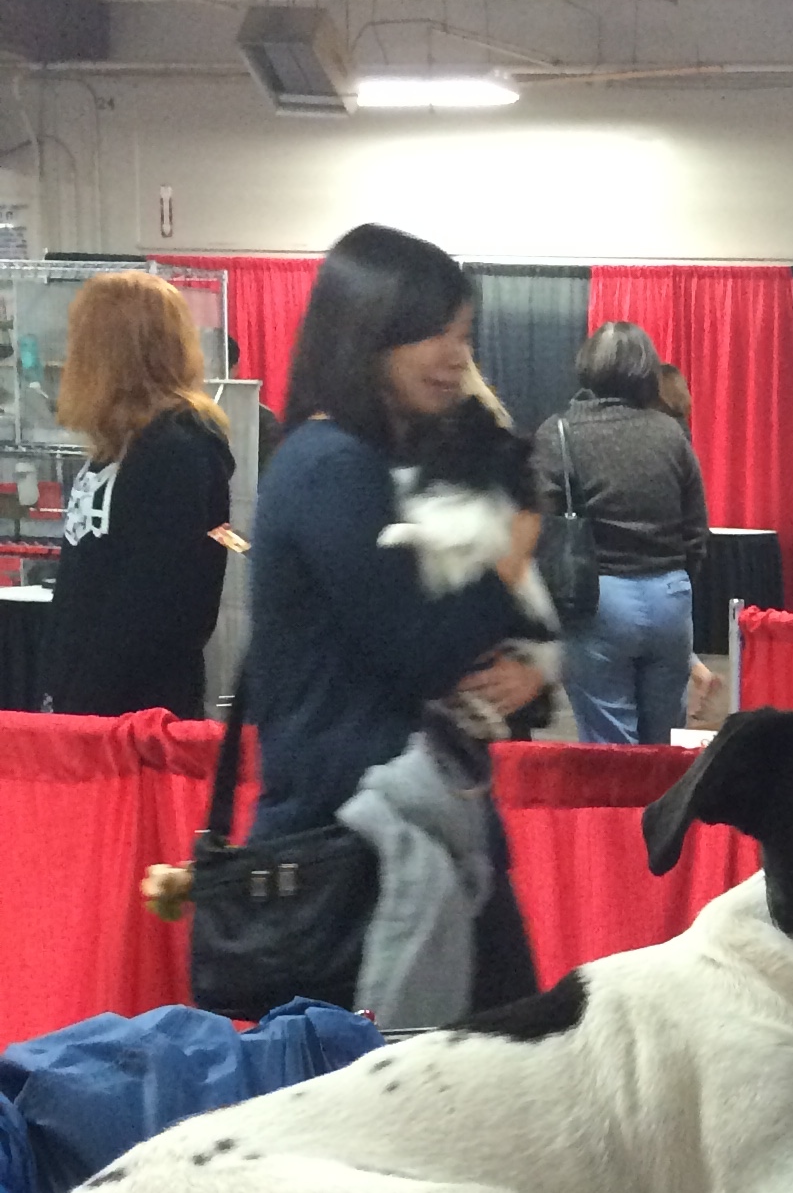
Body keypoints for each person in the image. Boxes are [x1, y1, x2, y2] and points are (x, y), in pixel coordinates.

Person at [249, 222, 546, 1013]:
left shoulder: (369, 464)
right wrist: (508, 553)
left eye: (464, 335)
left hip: (409, 825)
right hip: (357, 841)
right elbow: (427, 648)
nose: (455, 357)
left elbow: (462, 644)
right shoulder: (331, 468)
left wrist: (524, 671)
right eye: (432, 334)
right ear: (367, 333)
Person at [44, 271, 235, 718]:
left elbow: (155, 606)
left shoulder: (177, 452)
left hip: (133, 717)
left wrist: (86, 704)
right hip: (90, 705)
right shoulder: (120, 445)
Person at [542, 321, 710, 745]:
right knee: (661, 747)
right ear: (646, 371)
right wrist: (676, 579)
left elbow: (539, 529)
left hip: (597, 602)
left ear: (587, 367)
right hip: (670, 598)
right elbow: (696, 529)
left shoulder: (558, 433)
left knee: (610, 751)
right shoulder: (670, 433)